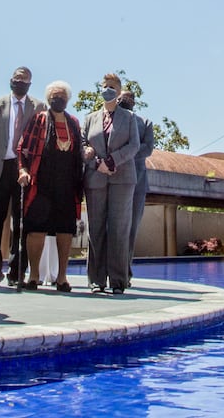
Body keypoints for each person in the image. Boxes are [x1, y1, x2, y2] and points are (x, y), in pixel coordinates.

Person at [0, 67, 43, 287]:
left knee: (21, 223)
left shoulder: (39, 107)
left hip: (24, 171)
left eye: (24, 80)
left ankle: (16, 271)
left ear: (30, 83)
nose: (20, 82)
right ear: (11, 81)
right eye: (16, 79)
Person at [16, 81, 84, 292]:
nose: (58, 98)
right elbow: (22, 148)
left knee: (65, 231)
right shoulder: (39, 119)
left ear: (68, 99)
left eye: (62, 95)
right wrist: (22, 170)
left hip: (67, 185)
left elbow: (80, 151)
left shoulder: (73, 122)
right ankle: (34, 276)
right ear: (48, 98)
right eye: (54, 95)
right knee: (36, 229)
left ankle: (62, 278)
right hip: (41, 182)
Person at [82, 73, 139, 294]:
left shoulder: (129, 117)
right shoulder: (90, 118)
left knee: (119, 229)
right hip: (95, 178)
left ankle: (118, 280)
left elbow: (134, 145)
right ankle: (96, 280)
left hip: (122, 179)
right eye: (105, 86)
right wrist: (96, 162)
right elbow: (82, 142)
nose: (108, 89)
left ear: (119, 90)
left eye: (112, 86)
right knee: (95, 229)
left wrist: (113, 160)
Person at [116, 88, 155, 286]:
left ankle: (125, 271)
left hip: (137, 181)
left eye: (130, 97)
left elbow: (148, 148)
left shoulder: (145, 123)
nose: (126, 99)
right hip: (112, 178)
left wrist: (126, 153)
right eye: (123, 96)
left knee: (131, 228)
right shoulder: (110, 120)